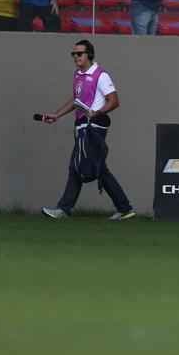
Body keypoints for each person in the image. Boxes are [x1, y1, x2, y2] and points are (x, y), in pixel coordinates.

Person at [38, 39, 136, 221]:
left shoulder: (101, 75)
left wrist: (96, 113)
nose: (75, 57)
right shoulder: (77, 75)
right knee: (97, 168)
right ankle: (124, 208)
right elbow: (75, 101)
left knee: (77, 166)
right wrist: (57, 115)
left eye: (79, 53)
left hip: (93, 127)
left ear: (89, 54)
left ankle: (64, 209)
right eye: (73, 54)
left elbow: (114, 101)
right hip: (82, 127)